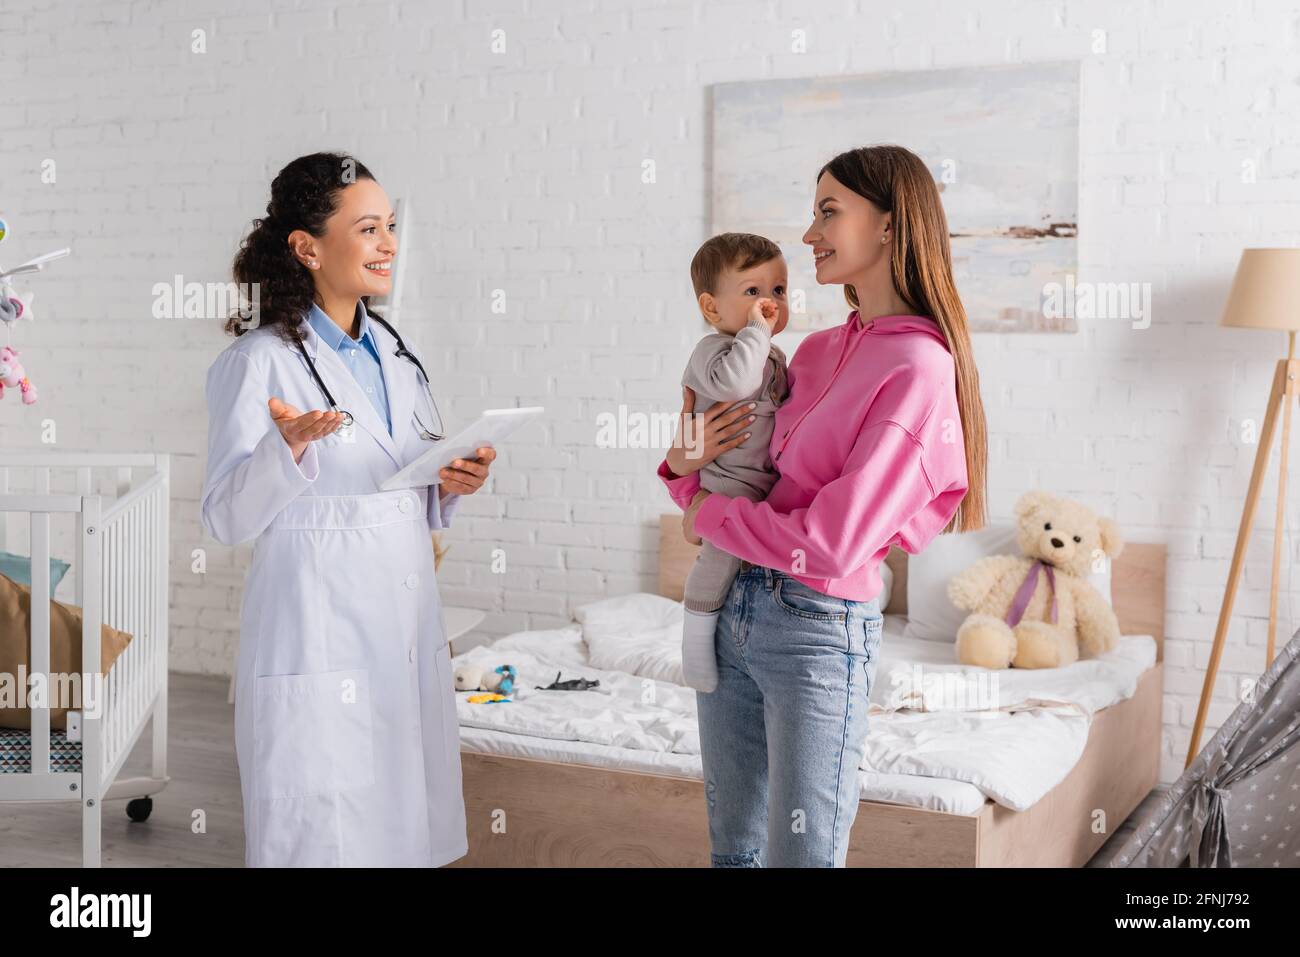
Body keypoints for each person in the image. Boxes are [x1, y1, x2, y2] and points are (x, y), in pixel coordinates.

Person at [658, 144, 989, 867]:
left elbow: (834, 542)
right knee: (733, 854)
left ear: (892, 225)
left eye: (829, 212)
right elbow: (732, 472)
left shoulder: (918, 366)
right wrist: (684, 468)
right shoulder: (806, 353)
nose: (809, 235)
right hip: (733, 608)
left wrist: (705, 518)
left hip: (815, 630)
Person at [200, 151, 494, 867]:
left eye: (390, 226)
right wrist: (288, 450)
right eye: (368, 228)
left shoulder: (396, 352)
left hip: (402, 614)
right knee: (325, 828)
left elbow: (397, 482)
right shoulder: (257, 362)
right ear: (306, 247)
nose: (389, 243)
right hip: (316, 629)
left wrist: (449, 483)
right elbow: (225, 518)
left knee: (403, 821)